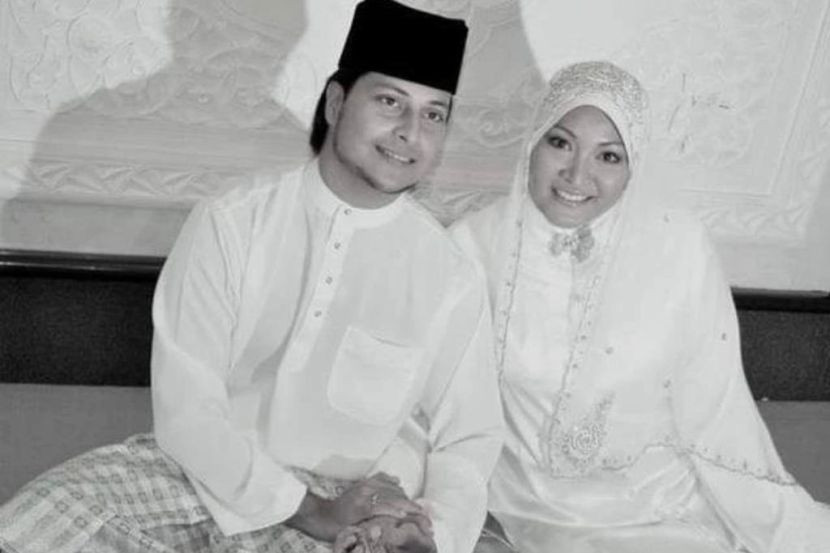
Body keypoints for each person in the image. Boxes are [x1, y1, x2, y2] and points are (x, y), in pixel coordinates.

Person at [0, 2, 504, 552]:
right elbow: (188, 410)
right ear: (336, 102)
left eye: (434, 115)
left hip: (347, 503)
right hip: (197, 476)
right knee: (35, 521)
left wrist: (434, 536)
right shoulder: (234, 221)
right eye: (390, 101)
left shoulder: (449, 274)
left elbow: (468, 437)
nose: (410, 132)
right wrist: (307, 510)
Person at [453, 61, 830, 553]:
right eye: (560, 143)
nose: (576, 174)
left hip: (659, 500)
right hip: (531, 506)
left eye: (609, 156)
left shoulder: (679, 247)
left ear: (634, 169)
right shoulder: (472, 247)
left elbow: (718, 405)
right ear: (533, 142)